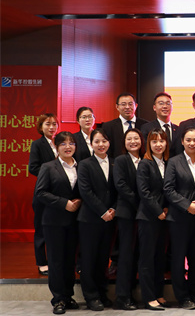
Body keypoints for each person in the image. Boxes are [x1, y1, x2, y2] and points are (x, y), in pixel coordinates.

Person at [34, 131, 82, 315]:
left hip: (74, 221)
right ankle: (58, 299)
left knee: (70, 260)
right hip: (53, 221)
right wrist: (64, 203)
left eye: (71, 143)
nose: (68, 147)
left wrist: (78, 201)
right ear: (56, 146)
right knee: (56, 260)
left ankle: (68, 295)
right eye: (63, 144)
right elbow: (41, 192)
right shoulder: (48, 167)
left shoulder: (80, 166)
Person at [164, 127, 195, 309]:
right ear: (182, 142)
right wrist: (187, 205)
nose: (192, 143)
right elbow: (168, 189)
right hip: (179, 217)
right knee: (179, 258)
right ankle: (182, 297)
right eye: (188, 140)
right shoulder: (174, 162)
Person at [76, 128, 116, 311]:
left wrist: (113, 209)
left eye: (104, 141)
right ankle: (91, 296)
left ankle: (102, 292)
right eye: (97, 141)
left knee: (103, 258)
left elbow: (117, 189)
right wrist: (102, 211)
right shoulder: (85, 164)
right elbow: (85, 191)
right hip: (90, 219)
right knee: (89, 258)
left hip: (110, 218)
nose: (101, 145)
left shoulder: (114, 163)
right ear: (91, 144)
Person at [136, 128, 170, 311]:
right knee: (147, 258)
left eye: (161, 141)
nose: (158, 144)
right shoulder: (145, 164)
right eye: (154, 141)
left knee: (159, 257)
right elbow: (144, 192)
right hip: (148, 216)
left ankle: (158, 293)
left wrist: (166, 209)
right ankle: (149, 297)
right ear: (148, 143)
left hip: (163, 216)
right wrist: (158, 211)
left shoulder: (167, 162)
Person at [112, 128, 144, 311]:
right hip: (127, 213)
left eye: (136, 138)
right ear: (124, 142)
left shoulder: (145, 160)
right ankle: (122, 296)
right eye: (129, 139)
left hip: (143, 215)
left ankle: (132, 293)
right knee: (126, 255)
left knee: (138, 254)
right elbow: (121, 185)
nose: (133, 142)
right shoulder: (121, 160)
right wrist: (141, 203)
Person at [29, 113, 59, 276]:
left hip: (60, 194)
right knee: (41, 229)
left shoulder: (60, 142)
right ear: (41, 127)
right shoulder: (37, 144)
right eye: (48, 124)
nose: (52, 127)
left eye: (54, 124)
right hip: (43, 192)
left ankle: (56, 260)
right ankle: (41, 262)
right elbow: (33, 168)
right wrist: (53, 173)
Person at [103, 92, 148, 158]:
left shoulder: (145, 125)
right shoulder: (108, 127)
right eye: (123, 104)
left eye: (130, 104)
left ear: (136, 106)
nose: (127, 107)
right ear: (117, 107)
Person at [141, 92, 179, 157]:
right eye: (161, 103)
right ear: (154, 107)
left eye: (168, 103)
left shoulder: (178, 129)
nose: (165, 106)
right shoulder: (147, 128)